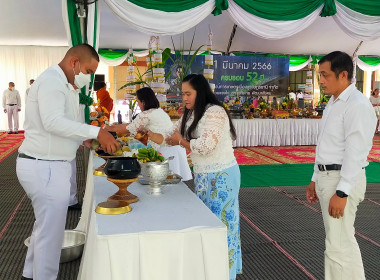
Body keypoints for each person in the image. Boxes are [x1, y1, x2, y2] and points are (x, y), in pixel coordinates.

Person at [16, 43, 119, 280]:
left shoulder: (66, 85)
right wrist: (96, 133)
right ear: (74, 62)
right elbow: (52, 122)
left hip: (48, 164)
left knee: (44, 227)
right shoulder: (52, 81)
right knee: (51, 234)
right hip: (44, 165)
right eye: (89, 71)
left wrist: (85, 139)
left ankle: (30, 273)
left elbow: (62, 127)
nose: (89, 78)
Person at [149, 74, 242, 280]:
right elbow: (168, 136)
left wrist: (181, 142)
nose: (184, 98)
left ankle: (225, 272)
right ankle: (210, 269)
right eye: (182, 94)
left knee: (223, 225)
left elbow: (206, 146)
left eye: (188, 93)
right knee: (207, 223)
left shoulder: (215, 112)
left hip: (222, 175)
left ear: (201, 92)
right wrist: (146, 133)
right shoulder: (190, 114)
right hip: (202, 176)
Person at [306, 51, 376, 280]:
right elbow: (326, 145)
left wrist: (342, 191)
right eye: (320, 75)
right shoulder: (334, 102)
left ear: (343, 74)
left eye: (325, 75)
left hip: (342, 180)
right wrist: (315, 179)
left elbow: (355, 153)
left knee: (339, 244)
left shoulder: (356, 105)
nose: (321, 81)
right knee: (338, 242)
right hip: (329, 177)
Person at [107, 87, 192, 180]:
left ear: (143, 102)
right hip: (176, 149)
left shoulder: (146, 114)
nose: (138, 104)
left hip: (165, 152)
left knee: (164, 182)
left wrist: (108, 128)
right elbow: (147, 133)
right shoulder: (159, 111)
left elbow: (128, 128)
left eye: (138, 101)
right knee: (175, 185)